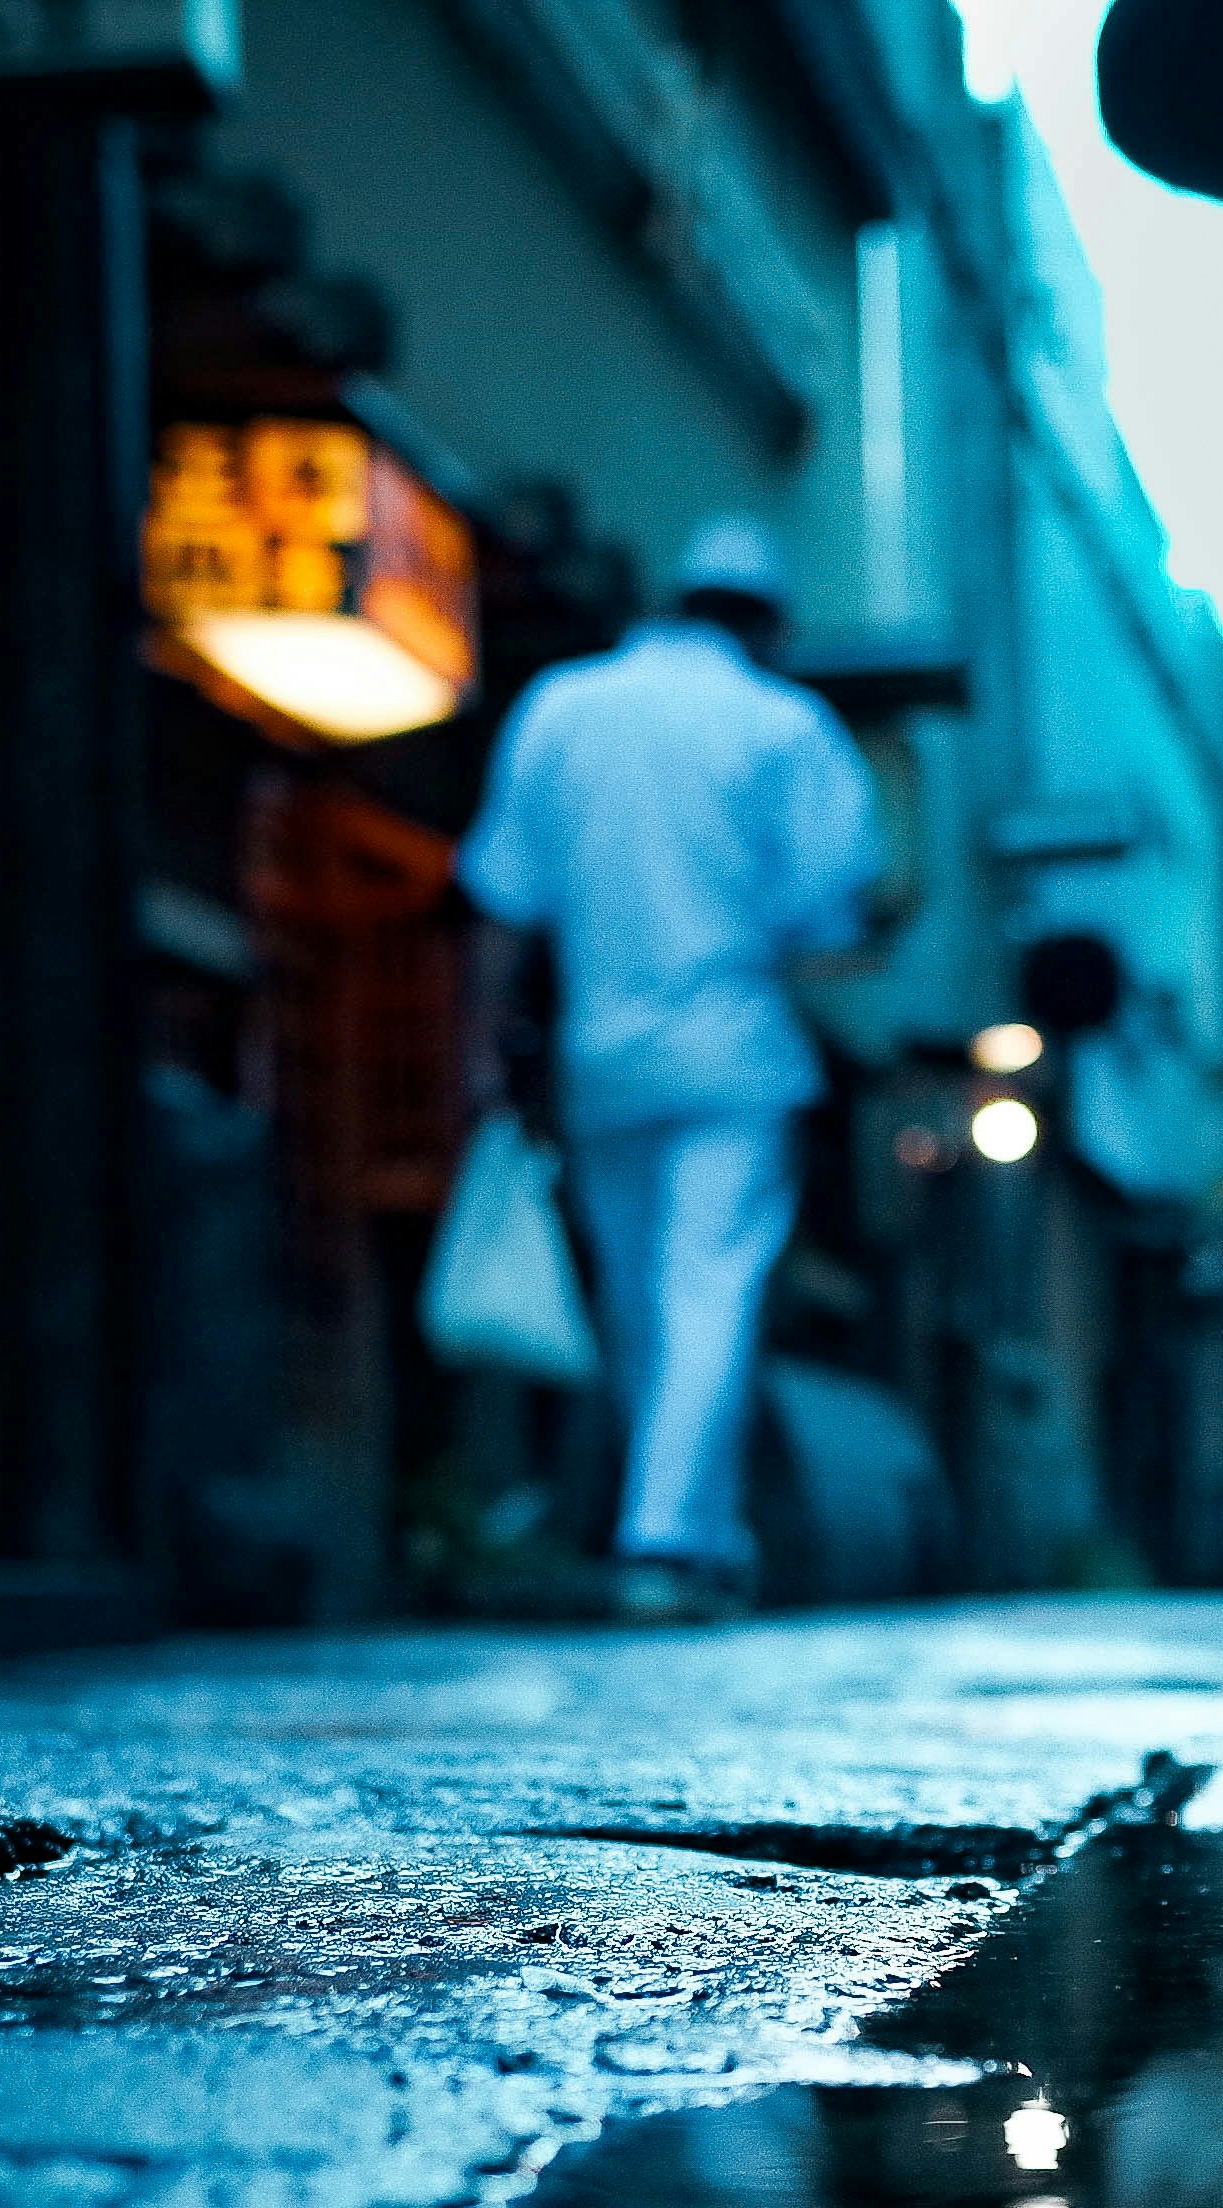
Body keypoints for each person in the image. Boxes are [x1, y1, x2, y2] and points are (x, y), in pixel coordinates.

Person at [456, 517, 886, 1623]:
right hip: (731, 1048)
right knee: (709, 1285)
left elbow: (501, 899)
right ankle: (671, 1537)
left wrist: (477, 1048)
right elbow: (832, 909)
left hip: (599, 1053)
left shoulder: (562, 707)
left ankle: (681, 1527)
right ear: (769, 625)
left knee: (639, 1298)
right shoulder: (784, 726)